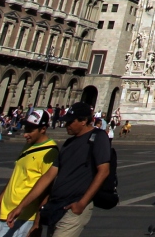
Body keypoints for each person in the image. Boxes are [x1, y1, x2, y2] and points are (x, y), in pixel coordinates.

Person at [41, 102, 112, 237]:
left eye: (70, 122)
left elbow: (104, 171)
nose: (66, 125)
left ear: (84, 121)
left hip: (74, 206)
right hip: (57, 206)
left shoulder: (99, 137)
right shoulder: (68, 143)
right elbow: (50, 175)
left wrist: (82, 204)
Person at [0, 109, 58, 237]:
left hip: (23, 217)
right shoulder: (28, 146)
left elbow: (47, 191)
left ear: (43, 129)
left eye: (30, 130)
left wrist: (37, 223)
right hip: (5, 213)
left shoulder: (50, 152)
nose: (25, 134)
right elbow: (14, 179)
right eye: (26, 129)